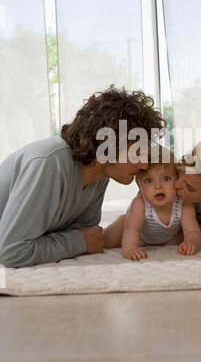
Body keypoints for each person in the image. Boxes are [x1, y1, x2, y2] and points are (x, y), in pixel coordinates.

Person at [0, 86, 166, 268]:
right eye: (137, 153)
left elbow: (85, 232)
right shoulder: (49, 164)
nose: (144, 165)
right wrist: (79, 242)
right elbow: (11, 251)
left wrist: (79, 239)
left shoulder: (100, 174)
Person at [104, 147, 201, 260]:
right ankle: (121, 220)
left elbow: (193, 230)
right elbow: (132, 229)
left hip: (167, 235)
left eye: (166, 178)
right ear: (139, 185)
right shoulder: (140, 203)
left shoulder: (183, 204)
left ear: (177, 178)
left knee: (183, 238)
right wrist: (130, 249)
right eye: (149, 181)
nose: (158, 186)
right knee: (108, 240)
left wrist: (191, 242)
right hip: (138, 230)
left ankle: (163, 242)